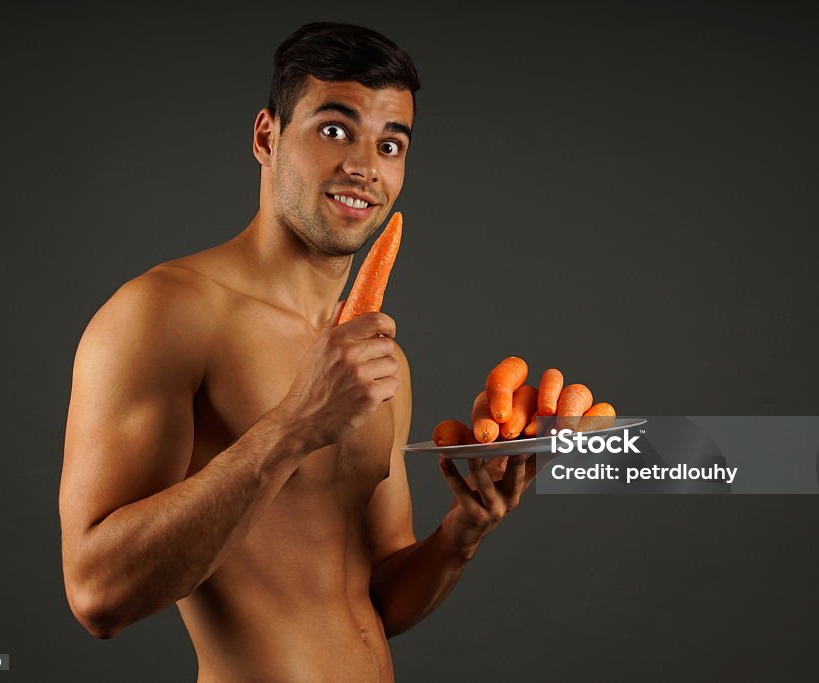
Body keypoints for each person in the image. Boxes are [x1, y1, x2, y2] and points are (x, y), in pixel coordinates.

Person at [59, 22, 536, 682]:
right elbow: (97, 593)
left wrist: (461, 534)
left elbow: (375, 598)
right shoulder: (165, 313)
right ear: (266, 136)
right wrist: (294, 426)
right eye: (335, 130)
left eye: (390, 143)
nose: (364, 165)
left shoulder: (379, 363)